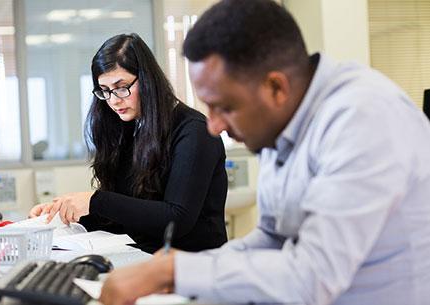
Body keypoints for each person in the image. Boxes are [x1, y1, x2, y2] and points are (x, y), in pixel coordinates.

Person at [98, 1, 430, 305]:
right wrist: (182, 265)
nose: (213, 126)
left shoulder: (363, 119)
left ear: (275, 87)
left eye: (224, 107)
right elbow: (272, 237)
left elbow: (313, 276)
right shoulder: (285, 122)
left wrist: (174, 273)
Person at [29, 33, 228, 254]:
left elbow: (176, 220)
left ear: (148, 80)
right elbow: (123, 217)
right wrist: (65, 214)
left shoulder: (195, 131)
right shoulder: (128, 128)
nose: (113, 100)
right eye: (104, 91)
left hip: (194, 265)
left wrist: (97, 201)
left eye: (121, 87)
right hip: (144, 259)